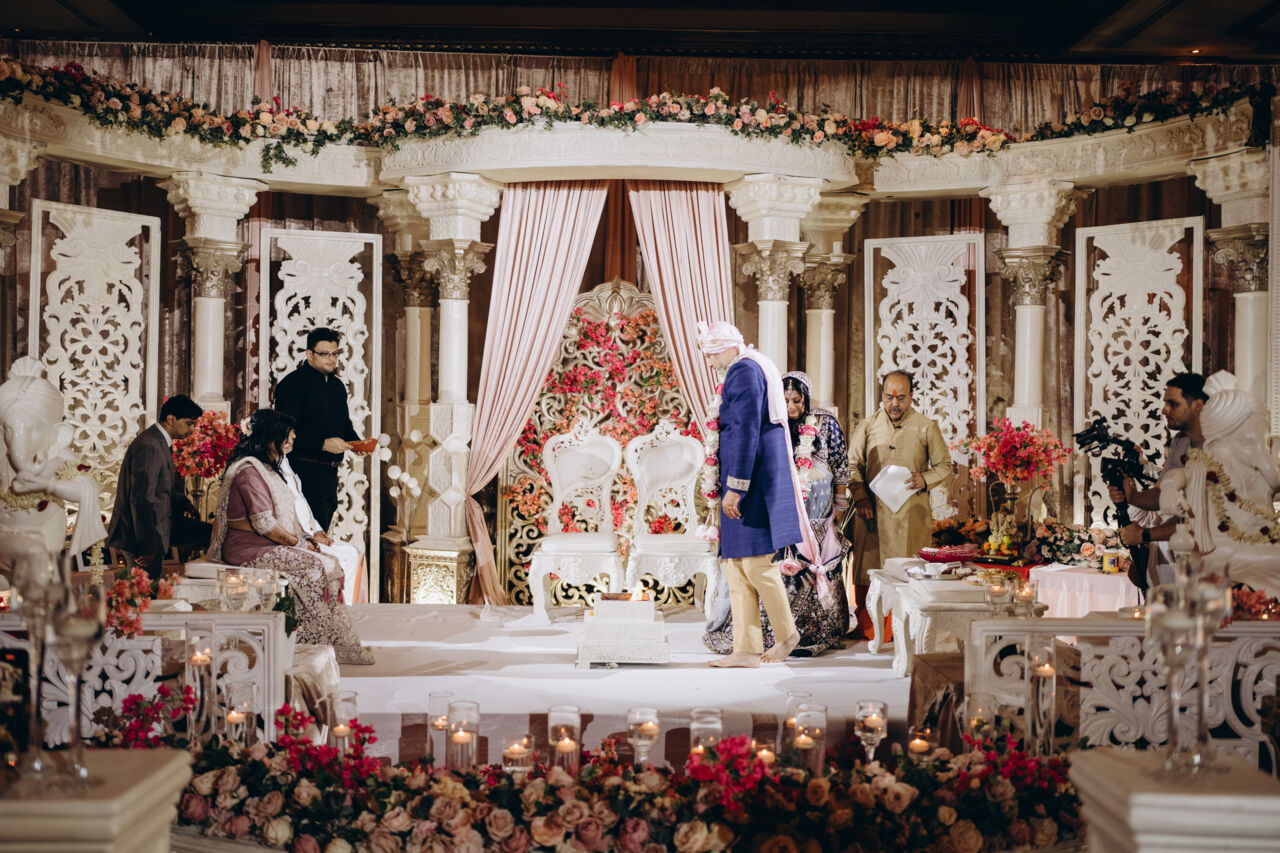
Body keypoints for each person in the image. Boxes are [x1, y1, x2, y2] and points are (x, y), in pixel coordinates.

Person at [207, 409, 373, 665]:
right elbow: (265, 524)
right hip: (247, 548)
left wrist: (305, 538)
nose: (292, 438)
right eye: (286, 435)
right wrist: (301, 543)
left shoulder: (266, 468)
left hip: (265, 543)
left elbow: (282, 517)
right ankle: (307, 642)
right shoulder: (248, 471)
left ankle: (326, 640)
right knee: (315, 567)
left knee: (329, 563)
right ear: (269, 436)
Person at [704, 371, 850, 656]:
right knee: (773, 565)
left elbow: (841, 465)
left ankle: (814, 630)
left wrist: (840, 506)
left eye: (797, 401)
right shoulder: (771, 422)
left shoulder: (825, 422)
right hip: (780, 505)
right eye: (785, 401)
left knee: (814, 561)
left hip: (817, 511)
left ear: (806, 399)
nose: (791, 407)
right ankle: (771, 634)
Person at [697, 321, 814, 668]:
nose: (709, 363)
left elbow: (746, 432)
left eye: (711, 354)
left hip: (751, 482)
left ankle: (787, 635)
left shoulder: (744, 371)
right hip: (747, 477)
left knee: (757, 564)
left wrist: (736, 488)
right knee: (736, 566)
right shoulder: (746, 368)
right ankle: (746, 650)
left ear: (728, 347)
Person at [847, 370, 952, 637]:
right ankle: (869, 628)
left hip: (910, 514)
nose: (894, 403)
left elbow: (944, 466)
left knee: (908, 570)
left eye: (901, 398)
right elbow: (852, 465)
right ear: (882, 396)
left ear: (912, 396)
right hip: (871, 512)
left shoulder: (926, 426)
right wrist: (860, 496)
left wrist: (924, 479)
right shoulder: (868, 425)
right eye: (889, 397)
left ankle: (906, 628)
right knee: (868, 569)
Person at [1107, 372, 1206, 588]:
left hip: (1211, 565)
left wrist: (1144, 535)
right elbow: (1161, 494)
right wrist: (1132, 496)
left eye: (1173, 404)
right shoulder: (1180, 442)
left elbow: (1200, 521)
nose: (1164, 410)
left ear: (1198, 406)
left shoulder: (1220, 446)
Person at [107, 394, 210, 578]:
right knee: (145, 591)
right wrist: (148, 546)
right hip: (142, 536)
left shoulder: (157, 441)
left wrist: (185, 503)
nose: (192, 429)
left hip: (160, 525)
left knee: (210, 535)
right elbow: (143, 500)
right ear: (171, 419)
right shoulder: (150, 446)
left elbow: (160, 487)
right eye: (189, 423)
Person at [273, 328, 362, 531]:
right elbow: (283, 432)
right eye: (324, 354)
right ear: (309, 354)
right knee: (305, 535)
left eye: (335, 353)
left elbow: (344, 424)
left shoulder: (337, 386)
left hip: (330, 474)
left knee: (321, 533)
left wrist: (357, 443)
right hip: (302, 471)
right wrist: (322, 444)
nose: (331, 359)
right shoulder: (292, 384)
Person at [280, 451, 365, 604]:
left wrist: (319, 530)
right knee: (343, 557)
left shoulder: (286, 462)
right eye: (288, 438)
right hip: (296, 536)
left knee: (352, 552)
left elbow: (303, 505)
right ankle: (335, 607)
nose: (291, 441)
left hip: (309, 530)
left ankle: (345, 606)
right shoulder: (271, 469)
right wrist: (309, 537)